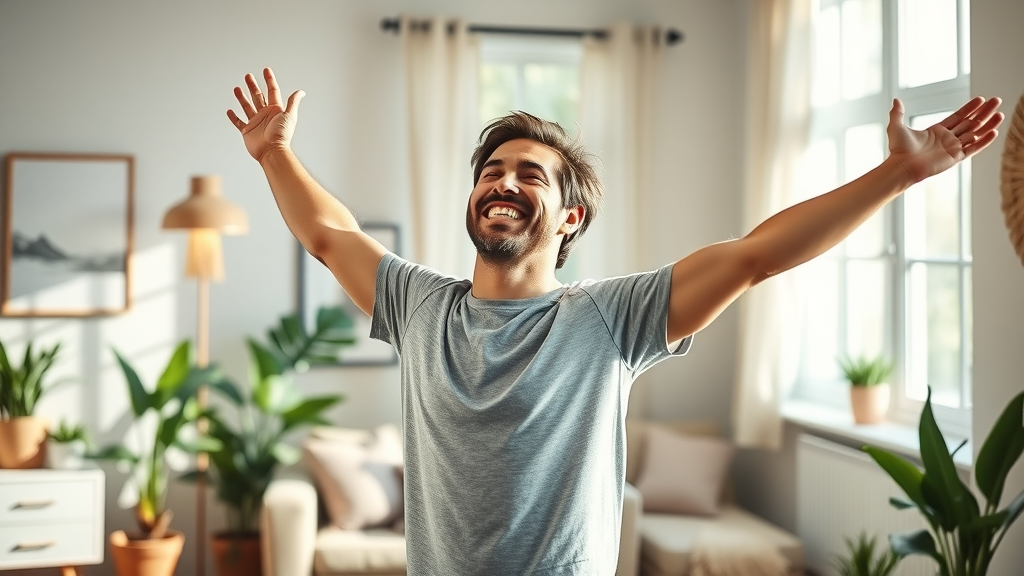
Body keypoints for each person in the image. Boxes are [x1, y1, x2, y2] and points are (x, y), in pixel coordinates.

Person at [227, 67, 1003, 576]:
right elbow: (331, 237)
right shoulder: (418, 305)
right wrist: (273, 157)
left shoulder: (609, 318)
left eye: (529, 173)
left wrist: (897, 173)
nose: (502, 182)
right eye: (492, 172)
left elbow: (754, 256)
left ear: (570, 217)